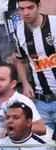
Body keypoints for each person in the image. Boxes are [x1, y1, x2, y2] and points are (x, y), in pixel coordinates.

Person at [13, 0, 56, 133]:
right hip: (40, 101)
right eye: (22, 9)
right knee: (45, 143)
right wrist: (25, 83)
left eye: (30, 7)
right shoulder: (19, 30)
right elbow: (20, 60)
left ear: (39, 6)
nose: (26, 12)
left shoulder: (54, 24)